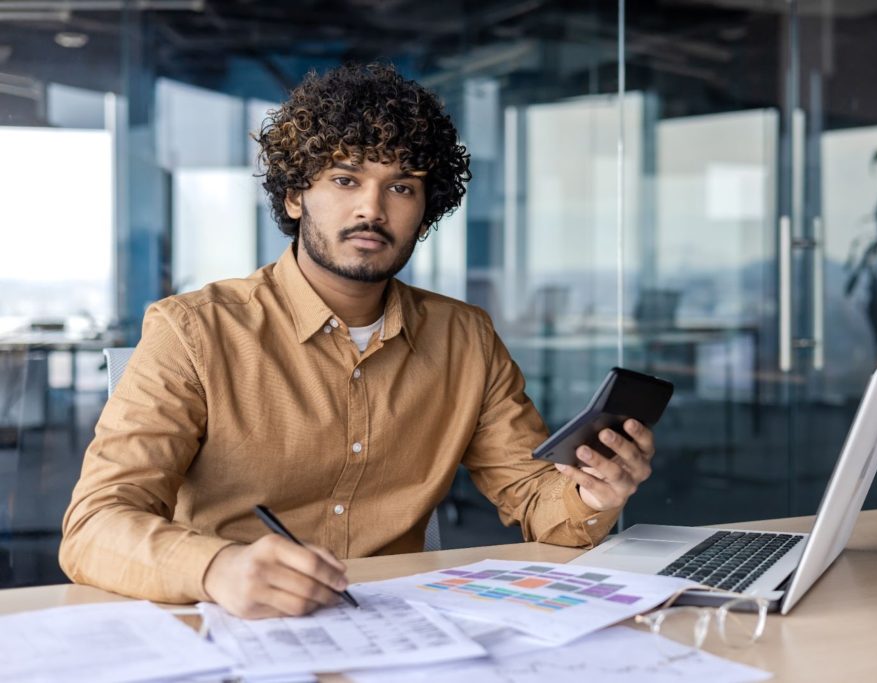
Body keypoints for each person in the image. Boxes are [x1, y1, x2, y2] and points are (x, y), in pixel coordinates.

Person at [59, 64, 656, 619]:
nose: (372, 208)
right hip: (232, 622)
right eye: (346, 179)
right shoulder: (193, 331)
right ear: (295, 197)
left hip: (399, 625)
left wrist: (591, 493)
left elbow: (536, 500)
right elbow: (93, 526)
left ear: (425, 213)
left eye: (402, 187)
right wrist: (218, 567)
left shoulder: (464, 337)